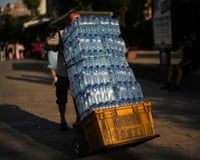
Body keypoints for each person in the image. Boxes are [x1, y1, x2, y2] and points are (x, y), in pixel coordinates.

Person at [56, 11, 81, 131]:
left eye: (78, 19)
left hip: (76, 72)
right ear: (68, 22)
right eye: (74, 19)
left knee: (78, 97)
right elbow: (50, 45)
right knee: (61, 98)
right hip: (63, 72)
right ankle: (62, 120)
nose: (77, 22)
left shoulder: (81, 34)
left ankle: (78, 120)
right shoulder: (61, 34)